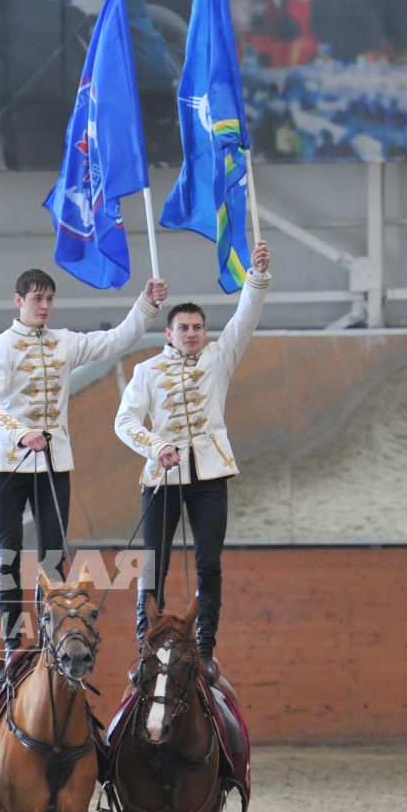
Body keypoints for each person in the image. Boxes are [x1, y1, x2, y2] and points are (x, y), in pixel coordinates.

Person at [0, 268, 166, 659]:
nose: (44, 307)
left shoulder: (65, 342)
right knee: (8, 554)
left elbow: (117, 339)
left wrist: (147, 303)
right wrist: (18, 433)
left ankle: (51, 638)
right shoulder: (0, 346)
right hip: (10, 461)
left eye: (49, 300)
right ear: (19, 301)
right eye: (36, 299)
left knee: (53, 558)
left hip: (53, 463)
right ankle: (12, 643)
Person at [114, 238, 272, 680]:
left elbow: (246, 317)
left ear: (204, 332)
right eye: (183, 328)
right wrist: (154, 445)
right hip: (161, 477)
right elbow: (124, 422)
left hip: (210, 475)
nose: (190, 334)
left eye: (197, 328)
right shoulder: (146, 372)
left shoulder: (221, 357)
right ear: (169, 333)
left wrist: (256, 276)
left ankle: (204, 646)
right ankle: (145, 641)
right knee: (154, 563)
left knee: (208, 564)